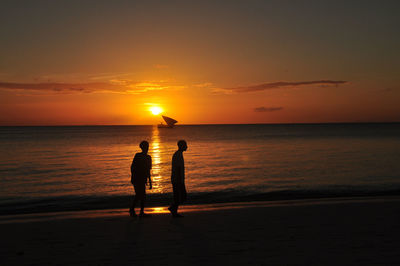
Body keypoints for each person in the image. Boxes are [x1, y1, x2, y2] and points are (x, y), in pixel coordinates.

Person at [130, 140, 152, 217]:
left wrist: (150, 181)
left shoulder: (148, 157)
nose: (146, 148)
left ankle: (140, 211)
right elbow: (132, 167)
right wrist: (133, 177)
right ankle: (133, 209)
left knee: (142, 196)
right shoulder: (138, 155)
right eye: (145, 147)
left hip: (142, 179)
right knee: (139, 195)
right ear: (142, 147)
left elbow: (148, 170)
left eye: (147, 147)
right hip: (136, 179)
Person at [168, 140, 188, 217]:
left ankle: (174, 210)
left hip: (177, 179)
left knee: (178, 196)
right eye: (185, 145)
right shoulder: (178, 155)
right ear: (181, 146)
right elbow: (179, 169)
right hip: (177, 180)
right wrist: (181, 182)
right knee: (182, 196)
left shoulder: (178, 154)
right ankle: (173, 209)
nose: (187, 146)